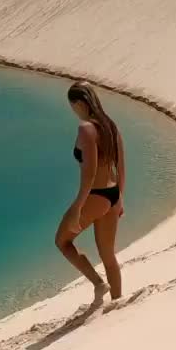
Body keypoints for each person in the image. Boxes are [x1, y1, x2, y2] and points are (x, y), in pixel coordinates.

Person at [55, 80, 125, 303]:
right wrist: (120, 198)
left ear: (78, 103)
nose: (73, 111)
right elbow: (120, 166)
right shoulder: (110, 125)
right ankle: (117, 302)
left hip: (95, 196)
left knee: (62, 242)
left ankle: (98, 284)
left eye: (72, 106)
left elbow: (90, 172)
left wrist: (78, 206)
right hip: (112, 194)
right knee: (108, 255)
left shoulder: (86, 128)